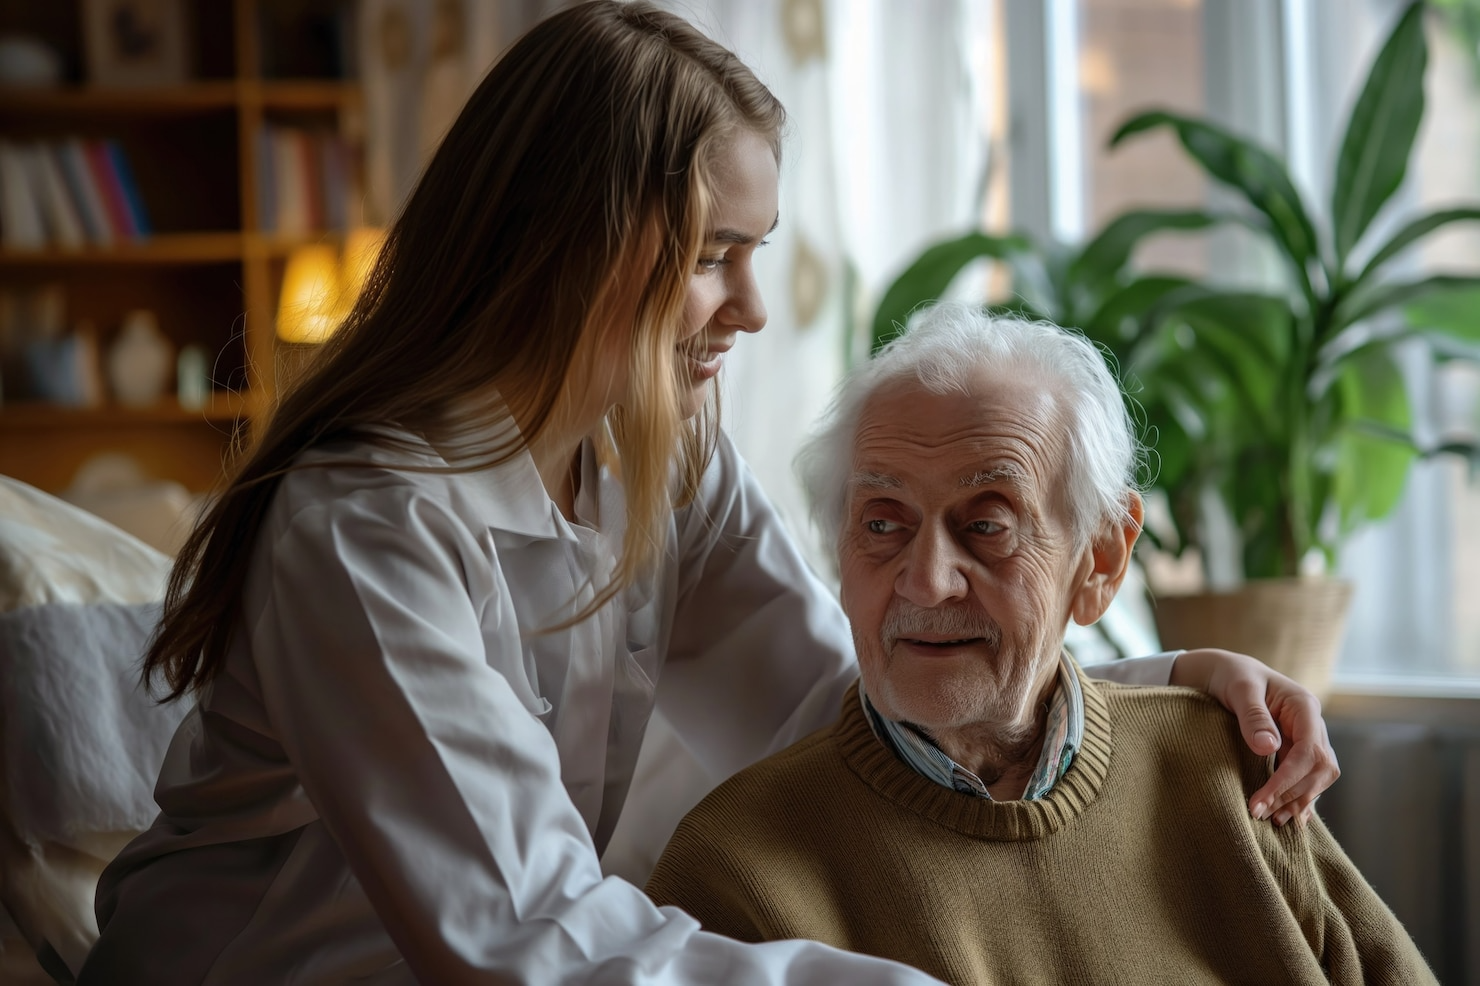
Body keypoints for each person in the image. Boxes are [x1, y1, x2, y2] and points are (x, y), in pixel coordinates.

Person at [78, 4, 1338, 984]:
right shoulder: (363, 527)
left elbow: (849, 713)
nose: (750, 308)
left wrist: (1154, 689)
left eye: (757, 253)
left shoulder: (659, 457)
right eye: (711, 256)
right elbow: (522, 939)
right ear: (567, 243)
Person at [645, 303, 1434, 985]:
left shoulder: (1229, 772)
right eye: (882, 524)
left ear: (1101, 560)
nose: (927, 581)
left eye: (987, 525)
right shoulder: (735, 872)